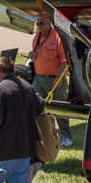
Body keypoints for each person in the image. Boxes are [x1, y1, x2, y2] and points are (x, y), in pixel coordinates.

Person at [28, 14, 72, 147]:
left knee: (60, 108)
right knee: (34, 105)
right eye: (37, 23)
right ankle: (38, 134)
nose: (38, 26)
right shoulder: (37, 37)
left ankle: (66, 136)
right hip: (39, 78)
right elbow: (36, 55)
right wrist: (32, 55)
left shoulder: (57, 37)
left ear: (49, 23)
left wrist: (59, 77)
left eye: (41, 23)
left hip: (55, 79)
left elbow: (64, 61)